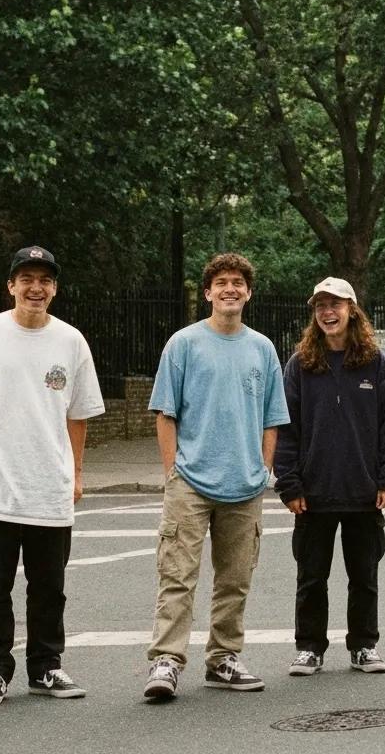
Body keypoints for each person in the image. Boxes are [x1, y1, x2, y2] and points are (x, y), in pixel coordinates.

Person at [0, 245, 105, 707]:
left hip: (48, 486)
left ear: (54, 289)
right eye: (27, 279)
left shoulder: (71, 341)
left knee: (49, 587)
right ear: (11, 285)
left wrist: (75, 472)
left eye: (45, 281)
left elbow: (78, 415)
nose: (37, 288)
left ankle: (47, 667)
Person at [143, 252, 291, 700]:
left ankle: (223, 657)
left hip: (244, 484)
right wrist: (172, 470)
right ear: (208, 293)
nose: (230, 289)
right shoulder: (184, 344)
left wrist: (264, 467)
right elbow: (165, 412)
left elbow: (273, 417)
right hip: (191, 481)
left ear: (248, 293)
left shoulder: (262, 348)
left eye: (238, 283)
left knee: (235, 578)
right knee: (177, 574)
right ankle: (166, 661)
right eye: (221, 282)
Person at [274, 277, 385, 677]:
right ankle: (310, 647)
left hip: (364, 491)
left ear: (352, 310)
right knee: (311, 576)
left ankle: (364, 646)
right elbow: (285, 427)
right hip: (312, 494)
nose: (328, 313)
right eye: (321, 306)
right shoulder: (300, 365)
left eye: (335, 305)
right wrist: (289, 483)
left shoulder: (374, 363)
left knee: (363, 576)